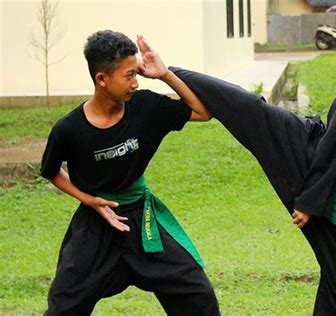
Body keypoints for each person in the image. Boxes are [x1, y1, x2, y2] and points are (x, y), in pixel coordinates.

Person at [170, 11, 336, 315]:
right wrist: (311, 199)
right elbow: (335, 138)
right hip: (313, 152)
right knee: (253, 109)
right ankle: (169, 71)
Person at [40, 30, 220, 315]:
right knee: (64, 304)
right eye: (129, 75)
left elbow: (202, 111)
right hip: (96, 225)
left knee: (197, 293)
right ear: (102, 79)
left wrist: (165, 74)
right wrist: (89, 200)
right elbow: (51, 171)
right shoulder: (69, 129)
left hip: (142, 219)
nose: (136, 82)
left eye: (136, 73)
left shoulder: (145, 107)